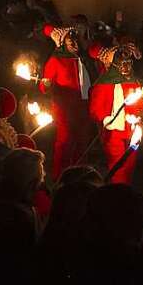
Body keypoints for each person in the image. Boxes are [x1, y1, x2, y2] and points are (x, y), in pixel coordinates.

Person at [87, 41, 143, 184]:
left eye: (129, 62)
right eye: (123, 63)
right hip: (113, 131)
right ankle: (118, 191)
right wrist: (105, 120)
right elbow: (95, 110)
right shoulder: (103, 85)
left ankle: (124, 190)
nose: (127, 67)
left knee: (130, 163)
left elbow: (142, 106)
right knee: (117, 163)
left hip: (132, 129)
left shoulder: (135, 82)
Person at [40, 25, 95, 180]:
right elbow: (44, 86)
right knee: (65, 141)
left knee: (82, 141)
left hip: (83, 106)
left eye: (76, 40)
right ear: (63, 42)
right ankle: (60, 176)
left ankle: (80, 175)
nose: (75, 44)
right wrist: (47, 84)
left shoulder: (83, 59)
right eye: (71, 41)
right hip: (64, 108)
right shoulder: (56, 60)